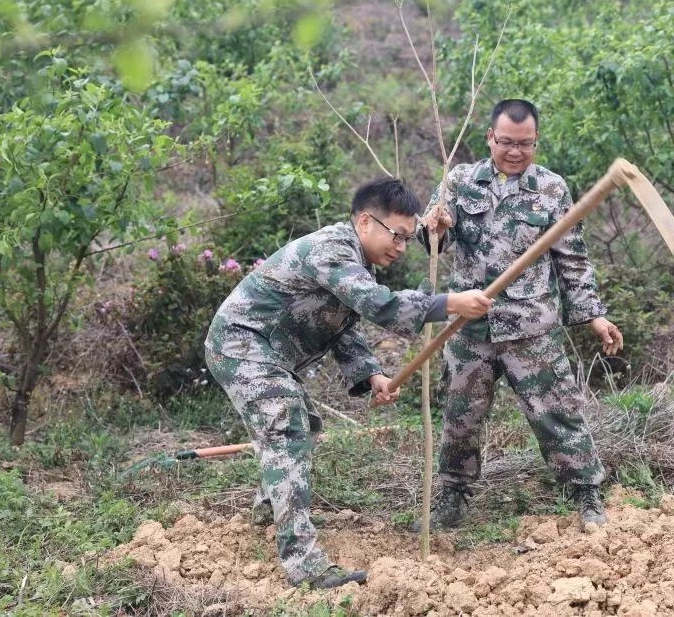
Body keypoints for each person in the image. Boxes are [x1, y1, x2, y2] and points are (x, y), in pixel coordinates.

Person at [205, 178, 492, 589]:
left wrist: (372, 374)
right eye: (397, 235)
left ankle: (273, 510)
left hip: (266, 352)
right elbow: (377, 304)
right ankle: (304, 566)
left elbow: (344, 326)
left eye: (409, 239)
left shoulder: (356, 262)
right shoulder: (332, 249)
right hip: (241, 343)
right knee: (287, 429)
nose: (400, 246)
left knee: (307, 424)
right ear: (364, 221)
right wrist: (449, 303)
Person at [417, 99, 624, 531]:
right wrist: (433, 228)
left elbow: (572, 259)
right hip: (469, 327)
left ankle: (586, 493)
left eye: (525, 144)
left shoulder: (552, 189)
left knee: (558, 413)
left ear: (536, 142)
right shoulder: (458, 182)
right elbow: (434, 241)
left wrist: (593, 316)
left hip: (532, 328)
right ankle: (453, 496)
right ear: (490, 137)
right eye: (506, 142)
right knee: (460, 418)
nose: (514, 152)